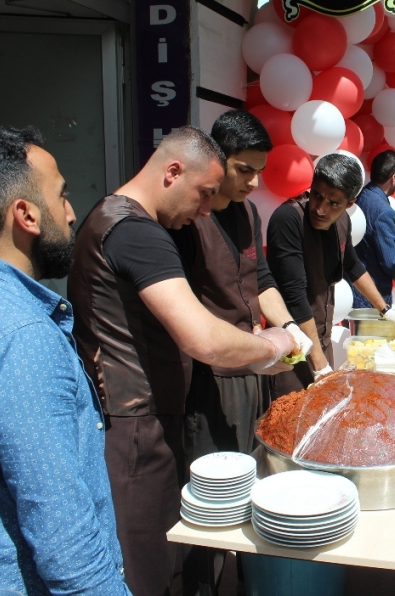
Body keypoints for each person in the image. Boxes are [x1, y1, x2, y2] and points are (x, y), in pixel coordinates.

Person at [68, 126, 299, 596]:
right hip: (133, 422)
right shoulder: (136, 232)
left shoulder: (119, 220)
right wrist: (273, 345)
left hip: (144, 417)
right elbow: (204, 338)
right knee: (145, 561)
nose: (206, 210)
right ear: (173, 171)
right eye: (205, 194)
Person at [0, 126, 131, 595]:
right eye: (61, 196)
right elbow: (65, 540)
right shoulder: (22, 337)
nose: (70, 214)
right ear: (25, 214)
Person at [169, 111, 313, 593]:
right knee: (213, 499)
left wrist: (291, 328)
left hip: (255, 367)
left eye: (259, 171)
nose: (253, 182)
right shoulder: (191, 217)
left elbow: (262, 281)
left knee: (253, 479)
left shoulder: (249, 213)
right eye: (243, 170)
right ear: (217, 159)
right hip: (209, 376)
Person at [267, 153, 395, 394]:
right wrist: (320, 366)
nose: (320, 209)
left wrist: (385, 310)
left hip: (320, 341)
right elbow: (294, 296)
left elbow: (353, 266)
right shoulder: (288, 219)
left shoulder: (343, 221)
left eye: (333, 203)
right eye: (317, 195)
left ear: (350, 203)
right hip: (291, 349)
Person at [351, 150, 395, 308]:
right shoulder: (384, 212)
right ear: (393, 178)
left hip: (354, 285)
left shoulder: (360, 196)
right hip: (374, 294)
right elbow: (390, 262)